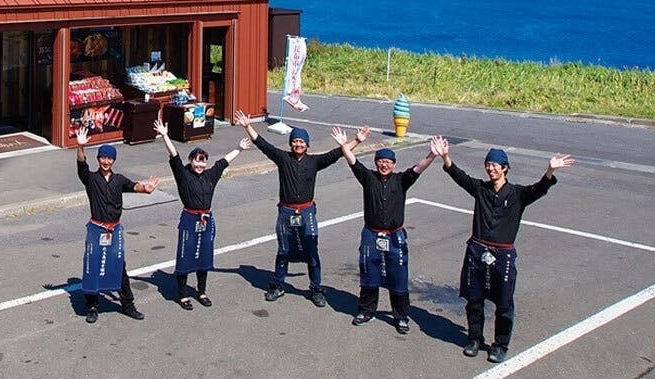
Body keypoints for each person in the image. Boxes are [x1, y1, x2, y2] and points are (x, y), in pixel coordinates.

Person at [440, 142, 575, 363]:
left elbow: (540, 188)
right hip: (477, 251)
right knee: (474, 300)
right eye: (488, 164)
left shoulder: (518, 194)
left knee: (504, 304)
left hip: (502, 255)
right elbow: (459, 175)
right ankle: (474, 339)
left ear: (505, 168)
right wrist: (445, 156)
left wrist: (550, 170)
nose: (490, 168)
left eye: (495, 165)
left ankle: (500, 345)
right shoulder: (480, 189)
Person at [233, 110, 368, 307]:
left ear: (307, 145)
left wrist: (357, 140)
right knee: (284, 250)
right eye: (295, 141)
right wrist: (247, 126)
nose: (298, 144)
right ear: (291, 143)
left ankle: (316, 288)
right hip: (286, 212)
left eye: (302, 142)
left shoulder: (314, 162)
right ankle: (278, 285)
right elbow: (262, 144)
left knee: (312, 250)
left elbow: (337, 154)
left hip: (306, 212)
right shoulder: (282, 158)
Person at [339, 135, 442, 333]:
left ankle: (401, 316)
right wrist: (345, 145)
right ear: (375, 163)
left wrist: (433, 154)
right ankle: (366, 311)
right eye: (380, 161)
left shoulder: (402, 180)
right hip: (371, 235)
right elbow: (352, 161)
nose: (384, 165)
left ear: (394, 164)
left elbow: (419, 168)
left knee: (398, 277)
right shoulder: (368, 178)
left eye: (388, 162)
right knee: (369, 274)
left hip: (395, 237)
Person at [154, 115, 251, 309]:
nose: (200, 165)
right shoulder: (183, 175)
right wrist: (165, 136)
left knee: (204, 258)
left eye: (203, 162)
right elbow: (175, 157)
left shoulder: (210, 175)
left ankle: (202, 291)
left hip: (206, 219)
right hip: (189, 219)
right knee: (185, 257)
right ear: (191, 161)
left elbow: (224, 162)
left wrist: (239, 148)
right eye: (197, 161)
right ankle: (182, 295)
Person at [76, 127, 160, 323]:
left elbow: (134, 186)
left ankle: (128, 305)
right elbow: (81, 164)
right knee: (92, 266)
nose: (106, 161)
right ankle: (92, 306)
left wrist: (145, 188)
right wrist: (80, 146)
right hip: (96, 228)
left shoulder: (119, 180)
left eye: (109, 158)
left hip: (114, 230)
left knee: (119, 266)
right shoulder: (91, 179)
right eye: (103, 158)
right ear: (98, 159)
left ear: (114, 160)